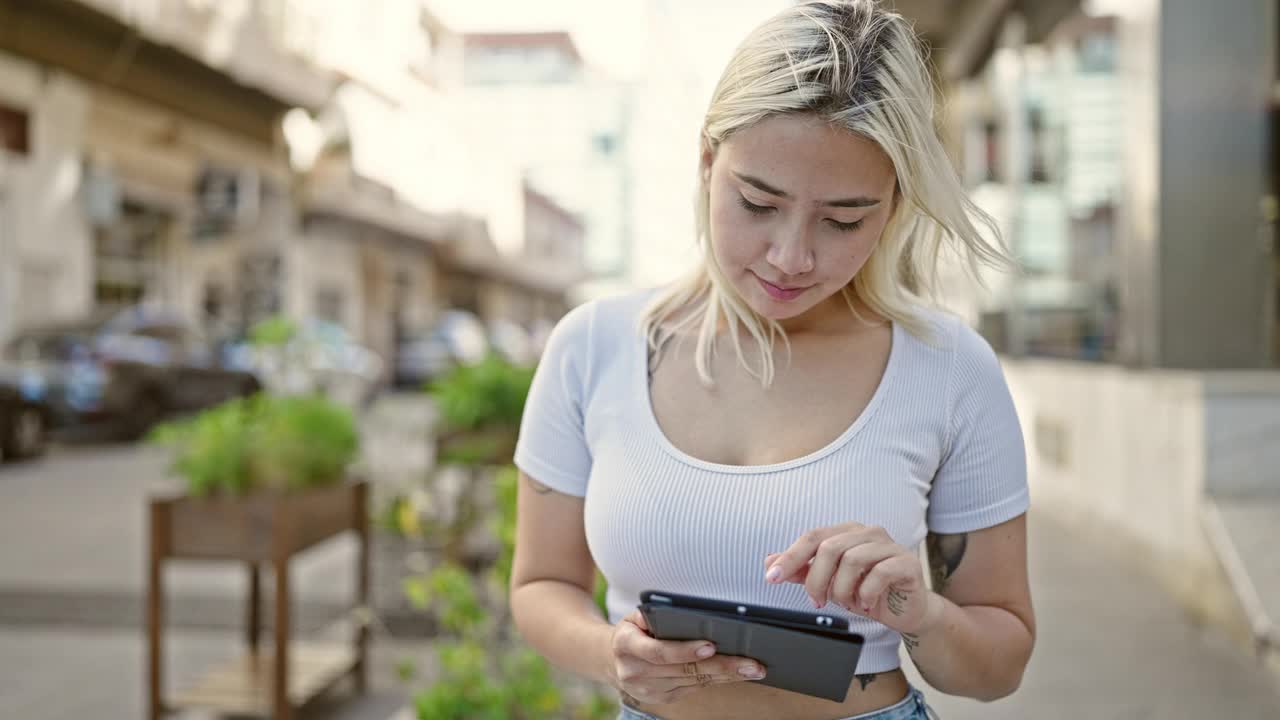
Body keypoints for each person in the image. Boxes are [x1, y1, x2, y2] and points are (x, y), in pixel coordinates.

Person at [508, 1, 1035, 718]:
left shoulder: (948, 369)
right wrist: (612, 655)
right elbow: (540, 586)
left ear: (894, 206)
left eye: (843, 220)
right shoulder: (593, 347)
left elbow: (999, 664)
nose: (792, 257)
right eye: (758, 203)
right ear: (707, 162)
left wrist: (920, 609)